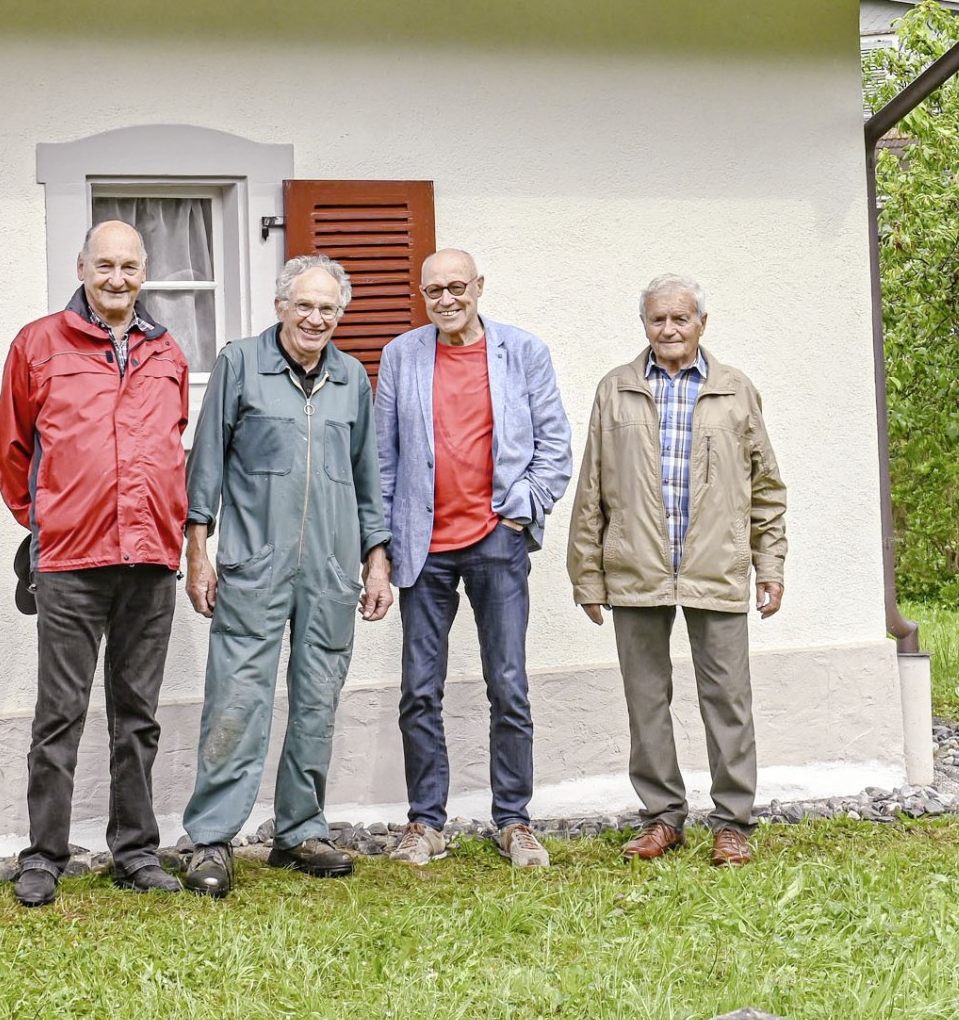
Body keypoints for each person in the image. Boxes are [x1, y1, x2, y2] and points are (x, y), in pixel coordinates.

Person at [177, 257, 395, 899]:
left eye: (329, 309)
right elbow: (207, 459)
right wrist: (198, 548)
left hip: (330, 568)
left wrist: (376, 559)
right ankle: (212, 838)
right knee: (237, 699)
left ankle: (300, 830)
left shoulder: (353, 378)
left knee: (317, 698)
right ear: (281, 306)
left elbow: (367, 476)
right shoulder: (240, 363)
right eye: (305, 305)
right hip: (255, 564)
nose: (316, 318)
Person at [0, 219, 192, 905]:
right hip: (71, 563)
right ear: (81, 266)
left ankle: (135, 849)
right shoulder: (38, 343)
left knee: (138, 715)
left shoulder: (167, 351)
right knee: (60, 717)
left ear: (144, 273)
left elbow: (172, 446)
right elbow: (12, 450)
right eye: (104, 264)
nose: (117, 277)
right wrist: (51, 520)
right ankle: (44, 854)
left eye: (130, 266)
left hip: (149, 560)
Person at [568, 273, 788, 867]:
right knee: (646, 699)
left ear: (701, 324)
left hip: (716, 567)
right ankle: (662, 816)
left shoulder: (736, 390)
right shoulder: (614, 389)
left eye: (680, 318)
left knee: (728, 700)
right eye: (657, 319)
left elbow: (765, 488)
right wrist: (587, 574)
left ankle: (733, 822)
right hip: (636, 567)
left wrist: (770, 564)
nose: (669, 329)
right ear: (644, 324)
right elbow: (591, 487)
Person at [375, 249, 574, 869]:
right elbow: (383, 459)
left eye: (457, 287)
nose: (446, 299)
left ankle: (514, 821)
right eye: (433, 291)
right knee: (418, 690)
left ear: (479, 287)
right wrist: (378, 550)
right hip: (422, 547)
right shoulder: (400, 356)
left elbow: (555, 444)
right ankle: (425, 822)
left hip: (497, 542)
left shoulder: (524, 351)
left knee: (508, 685)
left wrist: (525, 506)